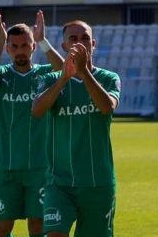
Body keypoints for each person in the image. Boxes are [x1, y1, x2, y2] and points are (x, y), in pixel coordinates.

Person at [31, 21, 120, 237]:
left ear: (93, 44)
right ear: (63, 46)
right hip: (59, 183)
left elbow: (107, 107)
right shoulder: (51, 79)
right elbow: (37, 110)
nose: (79, 43)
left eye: (85, 38)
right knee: (54, 234)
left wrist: (84, 72)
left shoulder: (109, 78)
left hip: (97, 183)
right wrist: (64, 78)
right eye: (73, 39)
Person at [0, 10, 63, 237]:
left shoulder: (45, 75)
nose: (19, 51)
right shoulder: (3, 75)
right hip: (4, 167)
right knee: (1, 229)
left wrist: (43, 40)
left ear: (33, 47)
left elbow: (67, 71)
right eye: (13, 46)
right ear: (8, 49)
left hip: (40, 167)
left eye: (25, 45)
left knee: (38, 228)